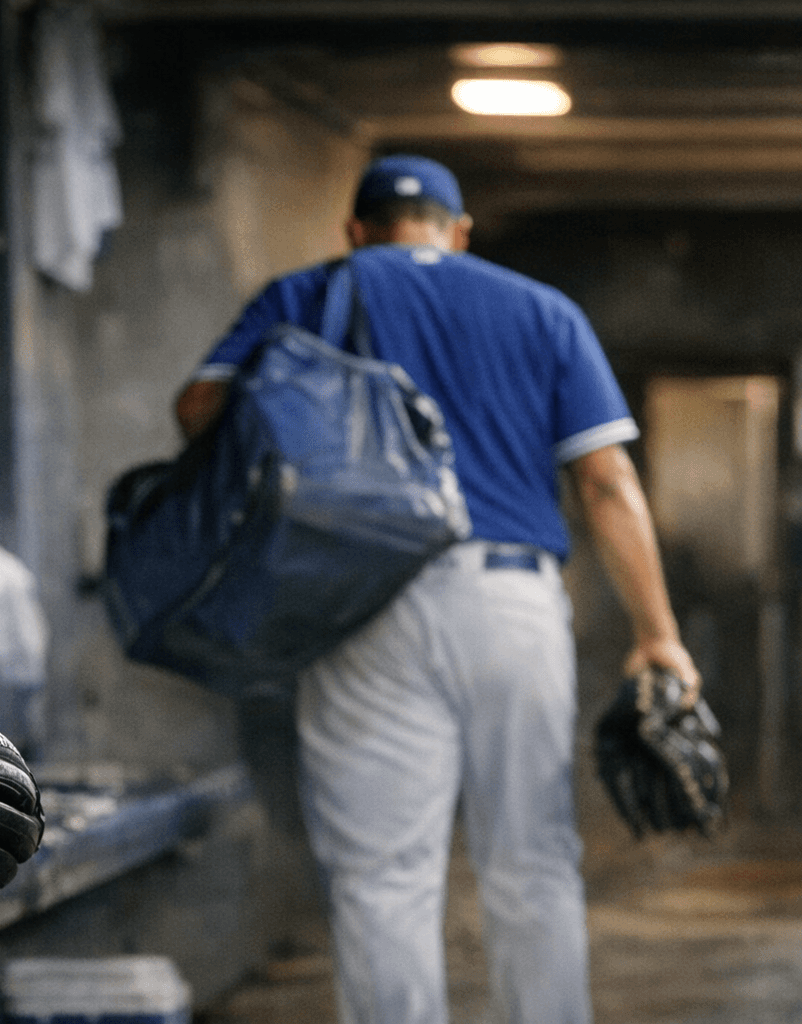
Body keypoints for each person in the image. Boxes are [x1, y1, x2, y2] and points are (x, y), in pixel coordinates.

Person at [174, 155, 699, 1024]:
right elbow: (607, 482)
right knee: (532, 858)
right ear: (459, 232)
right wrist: (657, 631)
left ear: (356, 230)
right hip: (510, 596)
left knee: (384, 874)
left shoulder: (307, 292)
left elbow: (196, 408)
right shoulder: (542, 309)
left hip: (359, 595)